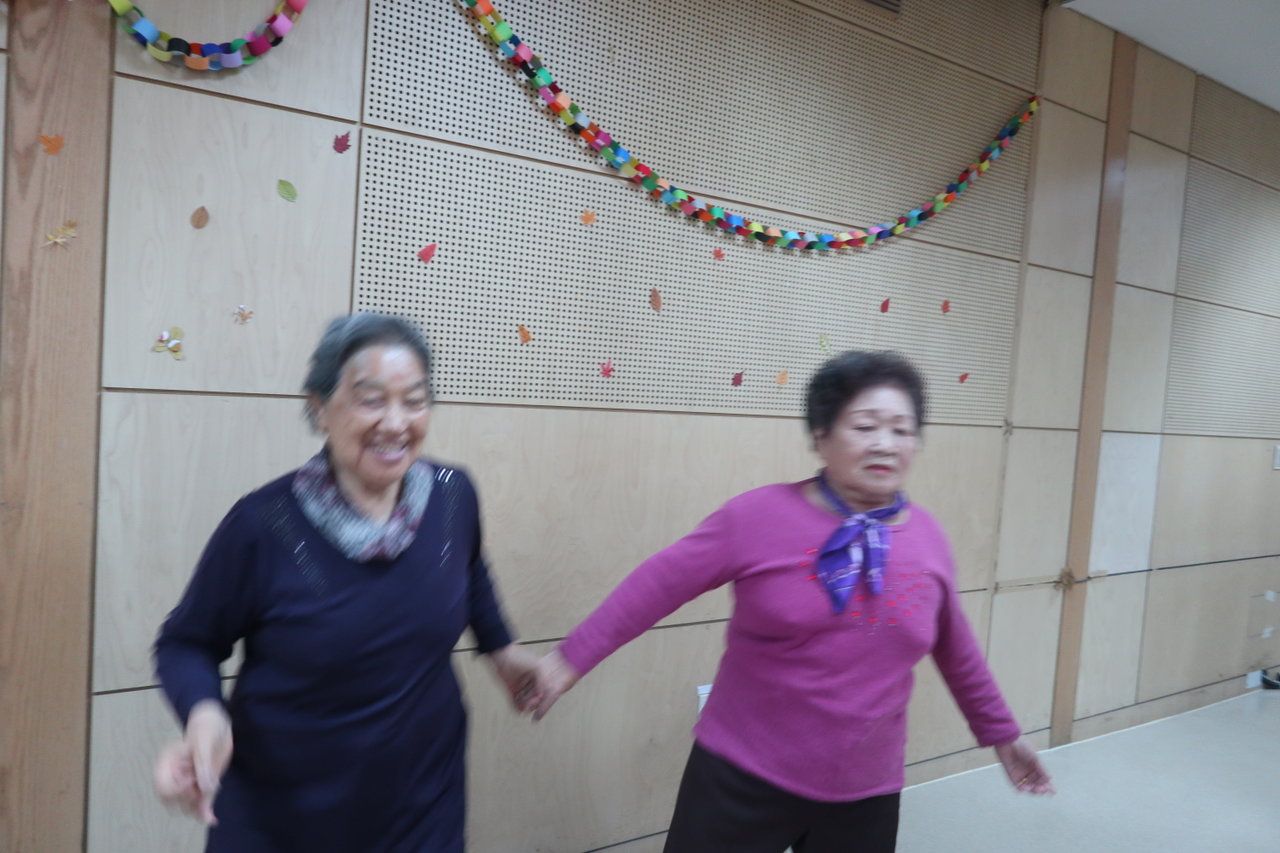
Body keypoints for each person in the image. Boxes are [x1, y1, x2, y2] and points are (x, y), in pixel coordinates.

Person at [533, 350, 1054, 853]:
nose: (885, 444)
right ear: (821, 436)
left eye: (902, 429)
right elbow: (655, 586)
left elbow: (958, 651)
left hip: (866, 789)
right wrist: (569, 659)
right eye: (865, 426)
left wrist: (1003, 736)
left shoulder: (928, 540)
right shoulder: (756, 517)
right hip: (742, 775)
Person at [151, 313, 539, 852]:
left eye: (415, 400)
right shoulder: (265, 525)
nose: (396, 423)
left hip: (422, 812)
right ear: (320, 409)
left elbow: (467, 566)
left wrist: (501, 649)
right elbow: (186, 642)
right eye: (371, 400)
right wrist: (204, 712)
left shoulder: (453, 495)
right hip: (282, 822)